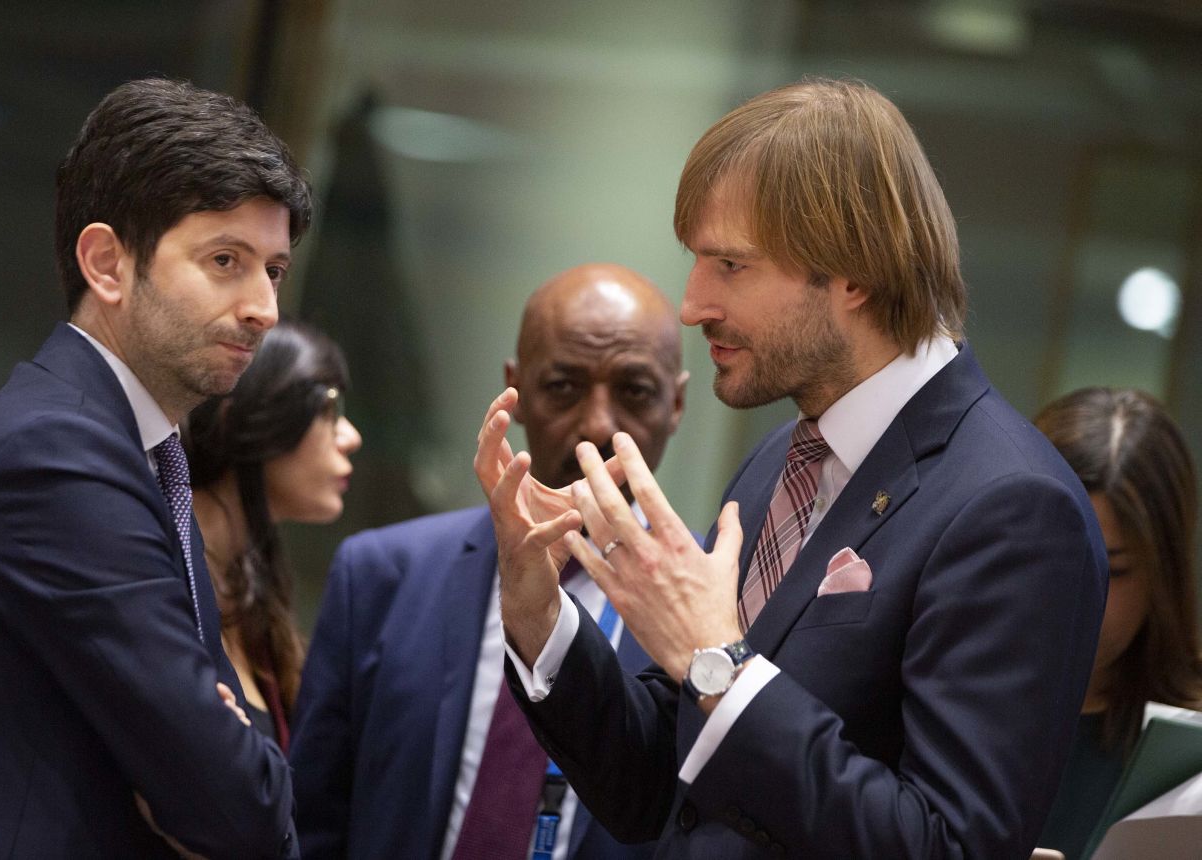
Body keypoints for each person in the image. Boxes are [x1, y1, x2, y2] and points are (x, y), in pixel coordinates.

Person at [475, 78, 1108, 857]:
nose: (691, 303)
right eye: (696, 261)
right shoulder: (785, 455)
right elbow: (655, 795)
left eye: (730, 265)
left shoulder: (1013, 506)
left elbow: (945, 845)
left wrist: (723, 670)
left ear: (854, 274)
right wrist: (537, 611)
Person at [0, 78, 311, 858]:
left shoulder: (136, 449)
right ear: (107, 262)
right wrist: (219, 761)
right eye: (225, 259)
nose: (264, 307)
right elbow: (240, 805)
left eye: (272, 268)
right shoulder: (51, 456)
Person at [290, 263, 688, 860]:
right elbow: (309, 819)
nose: (598, 424)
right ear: (517, 389)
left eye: (634, 392)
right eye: (563, 386)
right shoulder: (382, 576)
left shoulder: (718, 609)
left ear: (676, 403)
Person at [1034, 387, 1202, 859]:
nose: (1077, 599)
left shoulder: (1189, 748)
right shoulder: (930, 695)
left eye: (1113, 570)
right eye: (1055, 561)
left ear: (1162, 575)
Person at [186, 320, 363, 752]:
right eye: (329, 407)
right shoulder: (159, 573)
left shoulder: (252, 595)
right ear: (253, 414)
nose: (351, 437)